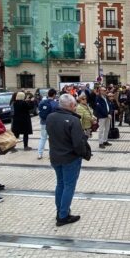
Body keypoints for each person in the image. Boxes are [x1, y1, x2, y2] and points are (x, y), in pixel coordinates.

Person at [47, 94, 92, 226]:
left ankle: (60, 211)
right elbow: (78, 143)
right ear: (72, 106)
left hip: (55, 156)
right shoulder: (73, 120)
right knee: (68, 186)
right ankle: (63, 215)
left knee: (60, 184)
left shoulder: (50, 117)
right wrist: (84, 154)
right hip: (70, 158)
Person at [37, 89, 58, 160]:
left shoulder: (42, 102)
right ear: (54, 95)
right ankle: (50, 154)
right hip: (52, 123)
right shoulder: (55, 103)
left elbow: (39, 112)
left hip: (43, 122)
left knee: (43, 138)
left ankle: (39, 154)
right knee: (51, 139)